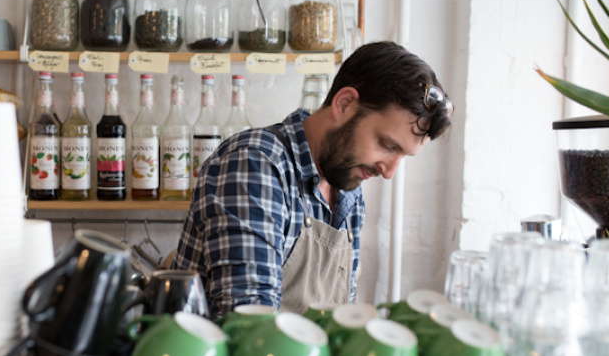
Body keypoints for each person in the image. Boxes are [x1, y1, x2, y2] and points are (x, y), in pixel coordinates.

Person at [172, 41, 453, 318]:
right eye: (387, 145)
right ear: (345, 104)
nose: (389, 171)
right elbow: (251, 325)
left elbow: (344, 313)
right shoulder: (254, 165)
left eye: (403, 156)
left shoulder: (348, 188)